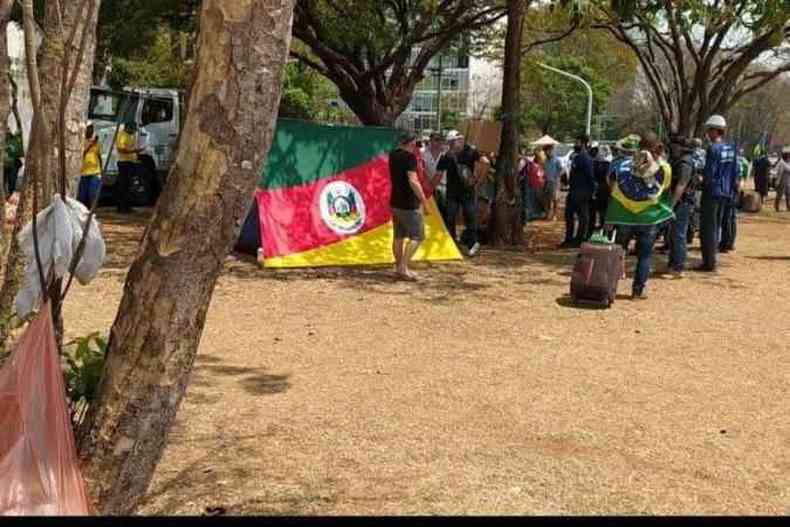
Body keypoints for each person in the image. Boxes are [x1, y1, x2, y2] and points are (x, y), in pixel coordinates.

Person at [611, 133, 670, 299]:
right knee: (644, 255)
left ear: (639, 145)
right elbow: (664, 190)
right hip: (649, 218)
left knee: (618, 252)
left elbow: (612, 184)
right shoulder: (664, 168)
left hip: (624, 216)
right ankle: (638, 290)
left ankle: (610, 284)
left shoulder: (623, 165)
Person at [696, 114, 738, 272]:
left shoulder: (713, 149)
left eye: (709, 130)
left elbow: (709, 174)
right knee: (718, 226)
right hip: (725, 193)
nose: (707, 134)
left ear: (715, 131)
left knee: (708, 228)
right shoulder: (731, 148)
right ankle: (712, 260)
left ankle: (709, 263)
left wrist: (700, 179)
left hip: (712, 193)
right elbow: (735, 173)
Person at [389, 132, 430, 281]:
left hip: (395, 201)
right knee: (418, 236)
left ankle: (398, 266)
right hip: (409, 204)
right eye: (415, 143)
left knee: (398, 236)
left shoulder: (392, 155)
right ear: (411, 143)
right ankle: (403, 267)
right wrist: (424, 202)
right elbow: (413, 181)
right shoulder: (409, 157)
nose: (416, 147)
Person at [437, 130, 484, 256]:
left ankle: (472, 243)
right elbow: (438, 174)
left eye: (453, 141)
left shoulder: (471, 151)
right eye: (450, 142)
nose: (451, 144)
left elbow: (485, 162)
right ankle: (452, 243)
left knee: (469, 217)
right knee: (452, 217)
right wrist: (429, 188)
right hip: (453, 192)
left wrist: (478, 180)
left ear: (459, 139)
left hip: (466, 192)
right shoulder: (446, 156)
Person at [666, 135, 698, 277]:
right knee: (673, 234)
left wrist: (671, 205)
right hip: (679, 202)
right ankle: (673, 264)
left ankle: (678, 267)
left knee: (679, 234)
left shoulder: (685, 163)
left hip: (682, 203)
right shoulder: (678, 161)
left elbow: (681, 185)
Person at [560, 134, 595, 248]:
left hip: (582, 192)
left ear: (583, 143)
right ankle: (569, 239)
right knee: (569, 216)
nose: (575, 144)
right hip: (574, 191)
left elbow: (590, 176)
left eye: (577, 142)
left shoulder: (585, 158)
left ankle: (578, 240)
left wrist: (591, 191)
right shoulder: (577, 156)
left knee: (582, 217)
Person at [115, 120, 144, 213]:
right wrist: (134, 151)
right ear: (128, 128)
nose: (134, 131)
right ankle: (121, 207)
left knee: (129, 186)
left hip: (131, 162)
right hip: (124, 163)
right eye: (132, 129)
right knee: (123, 186)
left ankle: (127, 206)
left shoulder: (132, 135)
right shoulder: (122, 135)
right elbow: (121, 149)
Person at [77, 121, 102, 208]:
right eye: (89, 128)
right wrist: (90, 144)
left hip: (95, 172)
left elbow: (99, 156)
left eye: (91, 128)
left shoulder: (97, 143)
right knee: (82, 197)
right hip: (83, 173)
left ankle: (92, 214)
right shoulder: (81, 140)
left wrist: (101, 171)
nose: (90, 130)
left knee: (93, 194)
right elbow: (81, 153)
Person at [422, 133, 447, 221]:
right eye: (436, 139)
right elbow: (421, 170)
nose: (438, 142)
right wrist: (429, 185)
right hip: (428, 188)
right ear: (430, 141)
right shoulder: (423, 153)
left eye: (440, 140)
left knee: (444, 212)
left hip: (444, 187)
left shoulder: (446, 154)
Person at [590, 142, 611, 230]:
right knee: (602, 208)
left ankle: (600, 225)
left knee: (600, 208)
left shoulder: (596, 163)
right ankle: (602, 225)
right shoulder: (608, 164)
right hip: (604, 188)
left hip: (600, 188)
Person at [542, 143, 562, 221]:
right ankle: (547, 214)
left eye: (546, 151)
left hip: (554, 182)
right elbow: (544, 170)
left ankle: (554, 214)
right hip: (547, 182)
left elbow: (561, 170)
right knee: (547, 199)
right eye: (545, 152)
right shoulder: (546, 160)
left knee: (555, 199)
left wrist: (556, 178)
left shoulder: (556, 160)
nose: (545, 153)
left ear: (550, 151)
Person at [775, 147, 790, 212]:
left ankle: (788, 207)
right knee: (779, 194)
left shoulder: (787, 162)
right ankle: (777, 207)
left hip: (787, 181)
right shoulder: (782, 163)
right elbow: (779, 173)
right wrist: (777, 182)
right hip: (782, 181)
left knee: (788, 194)